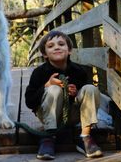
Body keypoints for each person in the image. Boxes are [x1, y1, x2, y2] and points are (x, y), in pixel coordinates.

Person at [25, 30, 103, 160]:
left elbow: (85, 98)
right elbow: (29, 101)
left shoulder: (79, 71)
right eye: (50, 46)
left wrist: (76, 93)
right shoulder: (39, 73)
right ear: (44, 54)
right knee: (54, 89)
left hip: (72, 115)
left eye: (61, 44)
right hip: (48, 115)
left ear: (70, 50)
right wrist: (46, 85)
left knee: (90, 88)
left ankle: (85, 137)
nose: (56, 47)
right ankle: (49, 137)